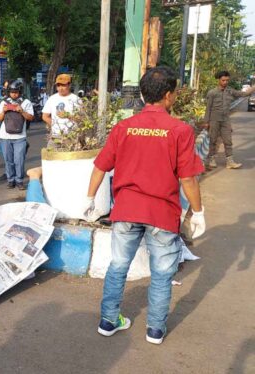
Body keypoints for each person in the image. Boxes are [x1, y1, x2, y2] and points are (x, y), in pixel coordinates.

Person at [83, 66, 206, 345]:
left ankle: (108, 320)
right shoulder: (180, 130)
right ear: (168, 95)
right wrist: (198, 212)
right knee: (162, 273)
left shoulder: (124, 127)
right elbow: (188, 178)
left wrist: (89, 199)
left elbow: (100, 167)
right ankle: (155, 329)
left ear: (141, 94)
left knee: (117, 266)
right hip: (162, 213)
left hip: (126, 210)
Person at [203, 71, 255, 170]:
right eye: (223, 80)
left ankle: (230, 162)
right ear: (218, 80)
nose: (225, 82)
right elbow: (208, 108)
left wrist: (253, 88)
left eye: (227, 80)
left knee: (228, 141)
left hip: (225, 120)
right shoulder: (212, 93)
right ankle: (211, 159)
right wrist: (206, 122)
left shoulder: (230, 91)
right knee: (212, 140)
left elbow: (243, 94)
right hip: (214, 120)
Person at [0, 81, 34, 190]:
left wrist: (21, 111)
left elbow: (31, 118)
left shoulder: (26, 102)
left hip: (20, 137)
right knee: (8, 160)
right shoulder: (4, 102)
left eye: (16, 92)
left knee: (19, 160)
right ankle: (10, 180)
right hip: (5, 137)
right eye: (12, 92)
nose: (14, 94)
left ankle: (19, 181)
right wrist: (4, 111)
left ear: (20, 92)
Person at [42, 74, 81, 148]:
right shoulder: (52, 99)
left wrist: (67, 116)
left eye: (63, 85)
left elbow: (81, 119)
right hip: (55, 137)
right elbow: (45, 116)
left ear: (69, 85)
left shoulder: (76, 99)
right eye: (58, 85)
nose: (60, 88)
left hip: (71, 136)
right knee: (50, 157)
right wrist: (55, 125)